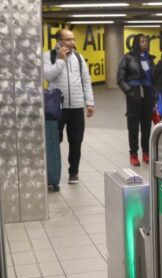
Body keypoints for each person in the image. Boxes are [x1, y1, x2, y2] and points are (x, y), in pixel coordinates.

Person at [43, 29, 95, 185]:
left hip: (77, 107)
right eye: (68, 39)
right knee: (54, 141)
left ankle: (74, 172)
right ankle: (53, 174)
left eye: (73, 39)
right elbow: (47, 75)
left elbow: (86, 80)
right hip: (56, 108)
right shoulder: (48, 56)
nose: (72, 42)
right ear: (59, 41)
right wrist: (60, 60)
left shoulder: (79, 58)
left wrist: (89, 102)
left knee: (76, 141)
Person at [117, 34, 155, 167]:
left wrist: (154, 98)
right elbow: (120, 79)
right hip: (135, 93)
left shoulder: (150, 58)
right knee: (133, 126)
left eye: (146, 41)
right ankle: (133, 154)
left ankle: (146, 153)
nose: (145, 43)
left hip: (148, 94)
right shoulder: (128, 57)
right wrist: (130, 92)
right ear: (136, 43)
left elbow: (153, 79)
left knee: (146, 126)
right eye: (142, 41)